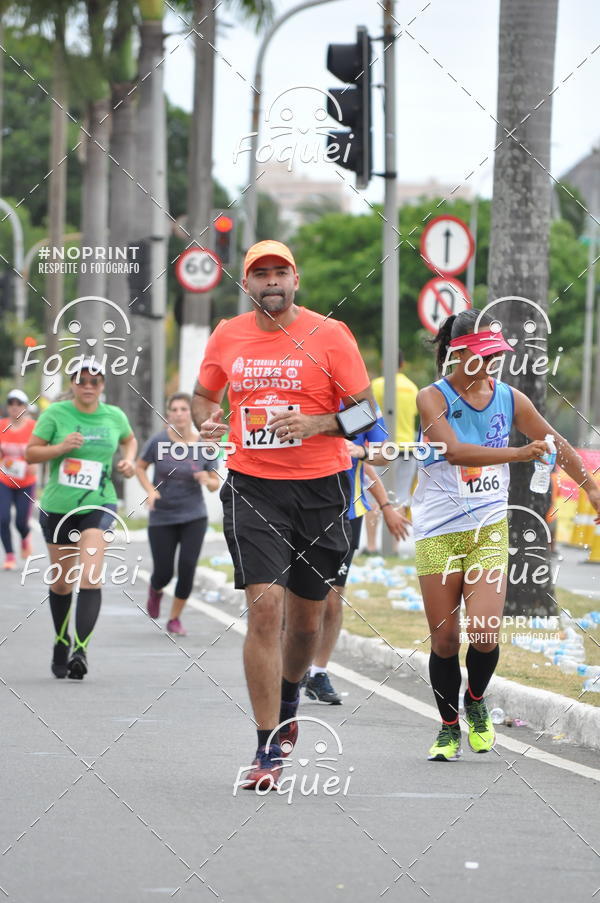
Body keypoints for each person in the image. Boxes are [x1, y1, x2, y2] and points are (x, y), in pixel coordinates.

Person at [192, 239, 375, 789]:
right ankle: (266, 747)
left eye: (280, 272)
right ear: (247, 283)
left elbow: (367, 413)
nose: (270, 281)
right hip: (253, 486)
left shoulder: (331, 335)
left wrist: (319, 424)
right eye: (260, 273)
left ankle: (291, 695)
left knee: (306, 622)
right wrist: (208, 421)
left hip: (321, 490)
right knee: (265, 609)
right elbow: (204, 396)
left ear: (295, 280)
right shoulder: (227, 335)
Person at [412, 310, 600, 761]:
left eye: (496, 353)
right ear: (458, 353)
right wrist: (517, 453)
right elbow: (454, 452)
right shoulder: (431, 397)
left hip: (488, 529)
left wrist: (591, 487)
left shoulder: (511, 399)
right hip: (438, 531)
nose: (491, 362)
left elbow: (555, 443)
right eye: (482, 354)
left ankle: (475, 701)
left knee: (484, 631)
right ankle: (448, 727)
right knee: (444, 640)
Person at [25, 361, 137, 680]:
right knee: (62, 581)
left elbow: (129, 440)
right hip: (59, 506)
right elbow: (31, 453)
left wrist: (128, 461)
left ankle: (81, 650)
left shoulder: (114, 416)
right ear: (72, 384)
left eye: (94, 381)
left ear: (103, 385)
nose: (88, 386)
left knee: (90, 574)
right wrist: (61, 447)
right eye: (81, 380)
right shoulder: (55, 414)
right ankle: (62, 640)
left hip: (99, 503)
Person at [304, 411, 410, 704]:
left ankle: (318, 673)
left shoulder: (364, 410)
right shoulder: (310, 401)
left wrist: (386, 506)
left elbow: (374, 462)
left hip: (347, 516)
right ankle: (294, 662)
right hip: (303, 513)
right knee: (299, 596)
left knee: (333, 598)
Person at [136, 392, 220, 635]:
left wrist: (207, 479)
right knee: (164, 573)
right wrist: (150, 490)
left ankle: (174, 618)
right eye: (175, 409)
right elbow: (140, 467)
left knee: (187, 568)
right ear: (168, 414)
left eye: (184, 409)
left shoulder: (204, 445)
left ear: (191, 414)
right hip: (162, 516)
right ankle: (156, 589)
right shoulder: (158, 441)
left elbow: (215, 483)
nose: (180, 414)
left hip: (194, 516)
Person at [366, 350, 418, 552]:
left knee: (374, 497)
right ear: (403, 365)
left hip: (382, 448)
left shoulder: (377, 385)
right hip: (407, 449)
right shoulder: (412, 388)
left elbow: (369, 413)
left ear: (383, 363)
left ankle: (371, 547)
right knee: (400, 497)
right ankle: (394, 548)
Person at [0, 389, 37, 569]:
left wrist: (35, 463)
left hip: (26, 482)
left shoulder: (33, 427)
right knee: (3, 518)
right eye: (11, 404)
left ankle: (25, 537)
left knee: (21, 522)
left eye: (19, 404)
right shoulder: (2, 426)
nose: (15, 407)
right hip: (5, 480)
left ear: (25, 407)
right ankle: (9, 555)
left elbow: (40, 450)